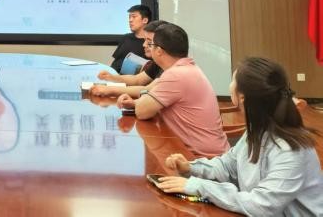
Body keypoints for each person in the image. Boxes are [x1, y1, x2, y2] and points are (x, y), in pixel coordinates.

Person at [159, 57, 323, 216]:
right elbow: (228, 167)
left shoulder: (291, 150)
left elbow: (261, 206)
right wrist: (190, 168)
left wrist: (200, 186)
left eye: (233, 80)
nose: (230, 85)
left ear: (242, 97)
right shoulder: (258, 128)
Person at [117, 23, 228, 157]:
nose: (146, 46)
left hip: (202, 158)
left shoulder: (175, 75)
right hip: (213, 152)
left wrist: (141, 102)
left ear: (159, 50)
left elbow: (142, 112)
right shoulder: (188, 68)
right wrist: (135, 103)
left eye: (150, 44)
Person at [92, 20, 168, 98]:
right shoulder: (158, 62)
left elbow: (147, 91)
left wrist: (110, 90)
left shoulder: (170, 68)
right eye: (145, 40)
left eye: (149, 42)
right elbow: (137, 80)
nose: (144, 45)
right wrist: (111, 77)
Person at [109, 4, 151, 73]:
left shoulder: (150, 43)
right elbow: (116, 61)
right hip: (113, 76)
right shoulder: (125, 38)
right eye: (129, 17)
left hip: (133, 78)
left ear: (145, 20)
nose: (130, 20)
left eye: (134, 17)